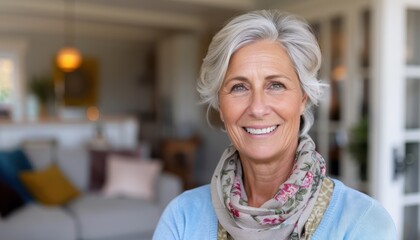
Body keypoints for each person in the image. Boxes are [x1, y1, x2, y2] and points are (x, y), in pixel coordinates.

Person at [153, 9, 396, 240]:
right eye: (239, 87)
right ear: (220, 106)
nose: (258, 108)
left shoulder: (362, 222)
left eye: (275, 85)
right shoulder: (182, 216)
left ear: (303, 98)